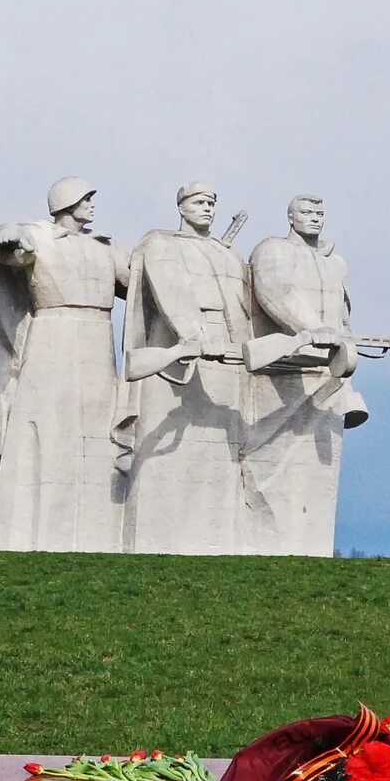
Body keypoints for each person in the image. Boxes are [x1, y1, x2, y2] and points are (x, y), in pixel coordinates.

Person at [0, 178, 128, 551]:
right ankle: (33, 529)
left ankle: (99, 531)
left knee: (97, 426)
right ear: (67, 203)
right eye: (85, 198)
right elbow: (6, 247)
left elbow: (140, 281)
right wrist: (10, 235)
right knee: (47, 422)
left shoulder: (105, 246)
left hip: (98, 336)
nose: (92, 204)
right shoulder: (39, 236)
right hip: (52, 333)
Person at [118, 183, 257, 554]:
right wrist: (194, 334)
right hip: (179, 350)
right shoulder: (162, 243)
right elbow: (171, 291)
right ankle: (157, 542)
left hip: (226, 354)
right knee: (168, 450)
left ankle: (217, 541)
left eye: (212, 203)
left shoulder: (228, 253)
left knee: (220, 454)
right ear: (181, 207)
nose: (207, 208)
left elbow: (242, 308)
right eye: (199, 202)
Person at [242, 195, 367, 555]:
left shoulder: (334, 264)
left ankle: (311, 549)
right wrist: (311, 327)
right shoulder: (273, 251)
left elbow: (343, 314)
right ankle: (269, 545)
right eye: (307, 213)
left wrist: (343, 348)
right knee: (274, 465)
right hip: (286, 372)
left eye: (320, 213)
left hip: (330, 371)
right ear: (290, 217)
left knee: (320, 470)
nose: (315, 219)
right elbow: (276, 291)